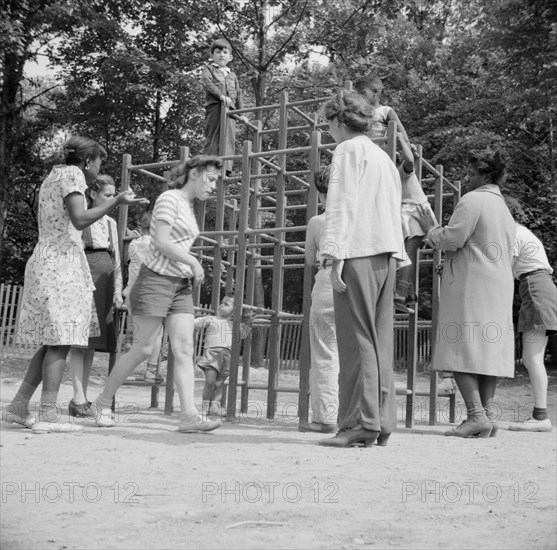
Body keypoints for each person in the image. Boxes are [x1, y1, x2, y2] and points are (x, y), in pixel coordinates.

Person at [5, 136, 147, 434]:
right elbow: (81, 219)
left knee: (53, 340)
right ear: (87, 161)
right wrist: (116, 201)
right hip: (61, 265)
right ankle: (48, 415)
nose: (98, 169)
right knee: (62, 339)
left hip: (48, 260)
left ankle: (19, 406)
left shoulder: (52, 176)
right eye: (98, 163)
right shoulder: (72, 175)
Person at [90, 155, 223, 433]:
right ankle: (101, 403)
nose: (214, 186)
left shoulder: (187, 206)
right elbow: (160, 241)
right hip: (154, 281)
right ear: (195, 173)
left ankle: (188, 416)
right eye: (210, 179)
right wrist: (193, 261)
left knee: (184, 348)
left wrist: (187, 267)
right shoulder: (170, 199)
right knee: (144, 349)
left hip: (180, 285)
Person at [318, 90, 407, 448]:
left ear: (339, 121)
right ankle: (382, 421)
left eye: (329, 125)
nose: (329, 133)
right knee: (378, 339)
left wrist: (333, 255)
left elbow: (340, 204)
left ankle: (360, 422)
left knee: (356, 341)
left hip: (358, 253)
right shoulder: (383, 158)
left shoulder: (347, 150)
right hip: (387, 254)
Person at [417, 148, 516, 438]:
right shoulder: (504, 208)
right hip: (498, 285)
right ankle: (485, 417)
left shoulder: (473, 199)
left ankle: (475, 415)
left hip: (472, 287)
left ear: (485, 174)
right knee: (485, 352)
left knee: (460, 348)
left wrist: (430, 228)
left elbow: (452, 240)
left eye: (472, 173)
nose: (468, 177)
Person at [68, 175, 124, 417]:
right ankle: (77, 397)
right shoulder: (81, 219)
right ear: (92, 194)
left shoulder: (111, 223)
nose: (111, 199)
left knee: (92, 343)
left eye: (113, 195)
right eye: (107, 195)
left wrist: (118, 289)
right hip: (86, 275)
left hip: (106, 278)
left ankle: (83, 398)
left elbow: (118, 259)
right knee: (80, 341)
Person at [505, 197, 556, 432]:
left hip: (535, 288)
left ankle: (540, 417)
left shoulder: (513, 232)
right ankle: (540, 415)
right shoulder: (522, 231)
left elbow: (505, 267)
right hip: (538, 287)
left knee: (532, 357)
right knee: (532, 357)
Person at [299, 166, 339, 434]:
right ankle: (357, 414)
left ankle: (325, 417)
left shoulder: (318, 222)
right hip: (358, 280)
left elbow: (310, 259)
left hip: (327, 280)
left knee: (325, 351)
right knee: (355, 352)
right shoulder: (360, 218)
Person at [123, 212, 165, 385]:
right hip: (149, 293)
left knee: (133, 328)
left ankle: (126, 354)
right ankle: (151, 369)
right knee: (158, 332)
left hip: (131, 293)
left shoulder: (133, 244)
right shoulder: (158, 245)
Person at [195, 296, 252, 417]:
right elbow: (197, 323)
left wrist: (247, 321)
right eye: (221, 303)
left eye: (226, 304)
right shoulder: (212, 319)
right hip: (212, 354)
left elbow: (243, 335)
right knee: (210, 381)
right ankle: (205, 408)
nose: (221, 305)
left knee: (219, 383)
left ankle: (215, 407)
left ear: (235, 310)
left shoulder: (235, 324)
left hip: (227, 356)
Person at [201, 38, 248, 175]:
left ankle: (226, 167)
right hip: (215, 106)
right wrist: (220, 96)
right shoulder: (209, 69)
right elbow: (207, 82)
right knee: (214, 134)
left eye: (225, 52)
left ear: (230, 57)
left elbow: (238, 94)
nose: (222, 55)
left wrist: (242, 113)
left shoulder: (232, 75)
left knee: (229, 136)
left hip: (230, 110)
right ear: (212, 56)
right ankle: (209, 164)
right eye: (218, 52)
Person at [353, 75, 415, 168]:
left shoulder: (385, 111)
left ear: (375, 92)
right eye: (357, 94)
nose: (360, 97)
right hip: (362, 152)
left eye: (362, 93)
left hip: (379, 151)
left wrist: (408, 147)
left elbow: (401, 131)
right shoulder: (358, 113)